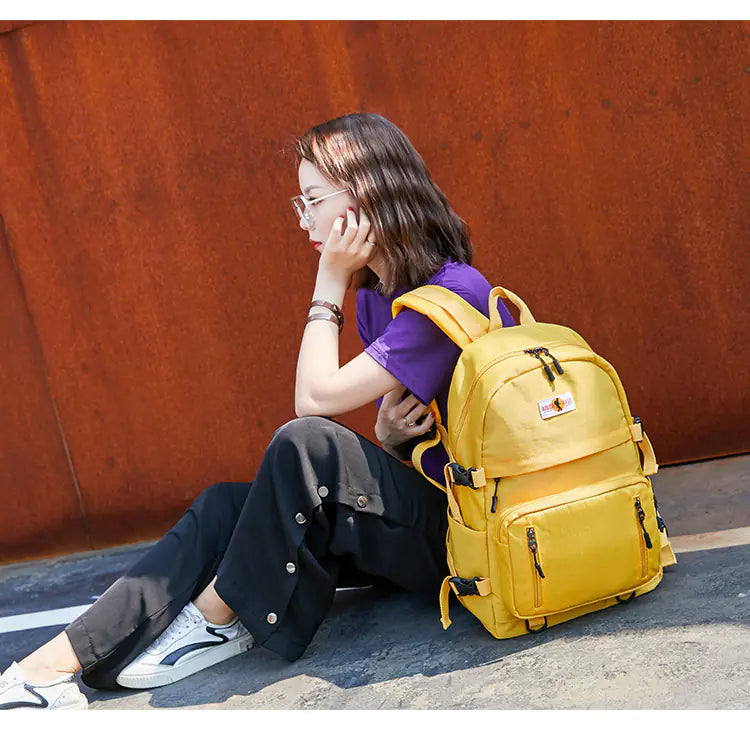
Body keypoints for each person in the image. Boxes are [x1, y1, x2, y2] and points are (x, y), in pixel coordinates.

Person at [0, 112, 515, 710]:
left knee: (307, 442)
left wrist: (328, 282)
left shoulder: (451, 295)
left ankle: (221, 614)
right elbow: (413, 440)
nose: (304, 219)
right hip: (437, 520)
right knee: (225, 506)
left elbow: (313, 401)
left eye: (314, 200)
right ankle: (49, 670)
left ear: (367, 194)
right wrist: (389, 436)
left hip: (474, 544)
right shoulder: (379, 299)